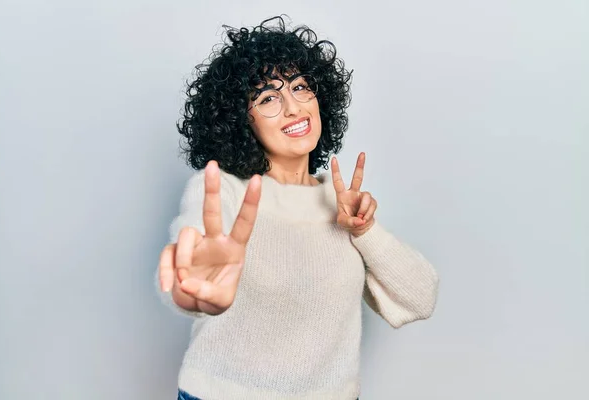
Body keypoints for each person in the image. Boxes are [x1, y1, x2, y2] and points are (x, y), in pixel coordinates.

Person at [157, 15, 439, 400]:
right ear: (242, 120)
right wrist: (194, 293)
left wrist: (365, 232)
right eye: (268, 97)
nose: (293, 107)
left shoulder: (341, 205)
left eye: (301, 87)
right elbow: (190, 267)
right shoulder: (223, 190)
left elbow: (420, 299)